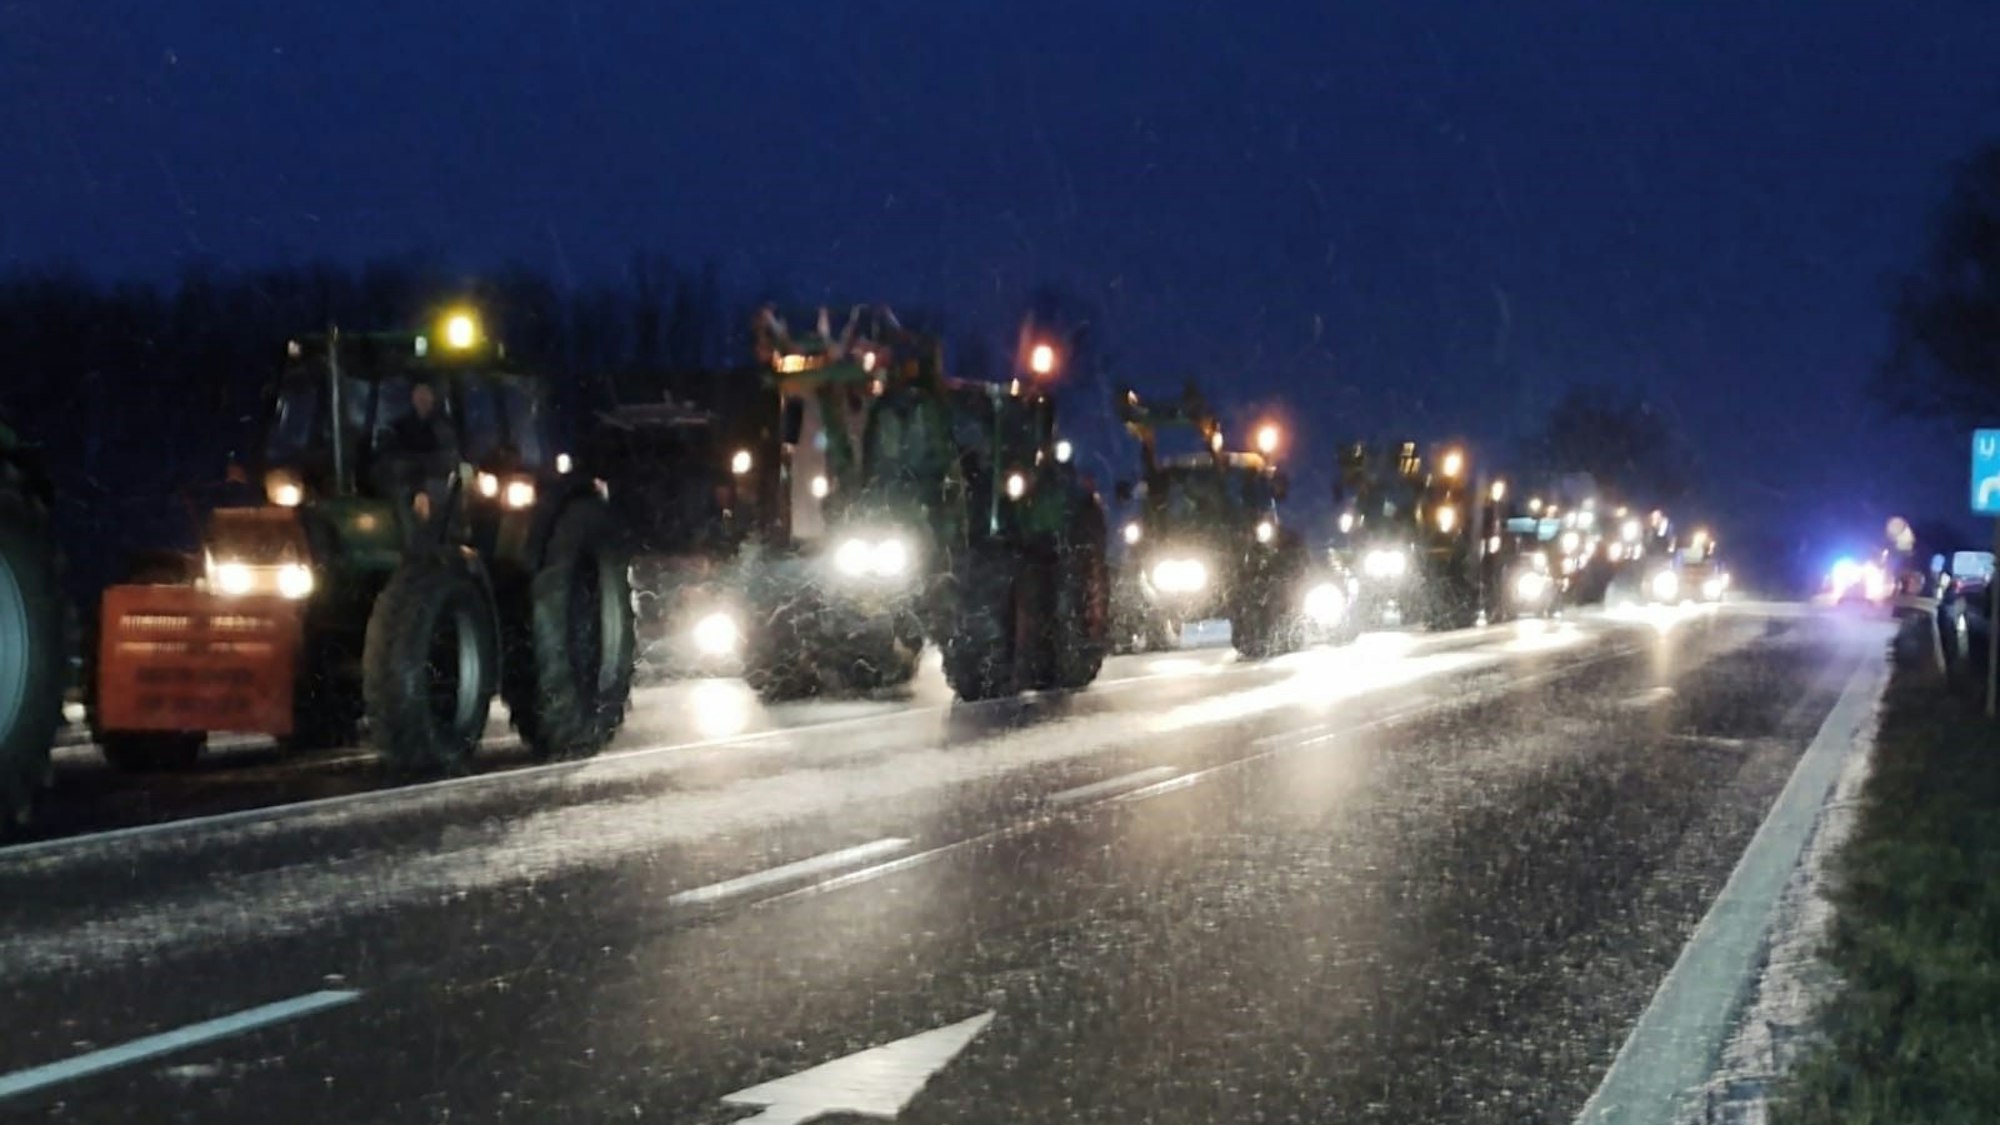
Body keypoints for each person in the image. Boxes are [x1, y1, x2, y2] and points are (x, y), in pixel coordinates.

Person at [375, 381, 459, 524]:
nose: (422, 398)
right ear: (412, 398)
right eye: (418, 393)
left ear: (434, 398)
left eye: (426, 394)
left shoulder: (445, 428)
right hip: (406, 484)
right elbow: (391, 458)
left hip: (438, 484)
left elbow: (450, 457)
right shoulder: (400, 428)